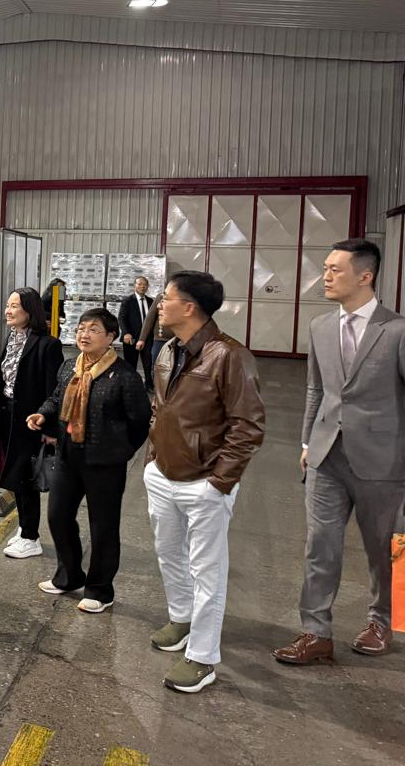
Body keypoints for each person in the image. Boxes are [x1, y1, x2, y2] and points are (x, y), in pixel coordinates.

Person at [273, 238, 405, 665]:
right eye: (325, 267)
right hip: (327, 455)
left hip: (383, 461)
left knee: (383, 547)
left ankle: (381, 622)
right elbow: (317, 388)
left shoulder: (397, 330)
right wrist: (307, 442)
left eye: (335, 269)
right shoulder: (321, 326)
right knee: (320, 546)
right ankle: (316, 633)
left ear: (365, 276)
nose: (325, 276)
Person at [144, 270, 265, 694]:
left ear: (190, 307)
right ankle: (181, 618)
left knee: (207, 571)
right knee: (168, 555)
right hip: (163, 475)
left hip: (204, 484)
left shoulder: (229, 356)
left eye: (166, 298)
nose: (160, 304)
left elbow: (248, 426)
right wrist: (152, 458)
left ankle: (202, 656)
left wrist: (219, 482)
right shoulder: (168, 350)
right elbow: (160, 409)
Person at [28, 307, 151, 612]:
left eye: (94, 330)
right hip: (68, 455)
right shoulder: (70, 367)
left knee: (103, 526)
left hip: (105, 462)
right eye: (81, 328)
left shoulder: (124, 376)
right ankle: (69, 576)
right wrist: (43, 414)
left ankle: (100, 589)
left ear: (111, 337)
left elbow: (140, 421)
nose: (84, 334)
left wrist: (121, 451)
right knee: (58, 516)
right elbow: (56, 398)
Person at [0, 289, 63, 560]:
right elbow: (7, 371)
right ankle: (24, 528)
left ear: (30, 310)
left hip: (31, 421)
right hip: (7, 415)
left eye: (14, 306)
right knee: (14, 476)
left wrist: (50, 429)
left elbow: (54, 389)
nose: (8, 310)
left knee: (25, 478)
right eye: (8, 305)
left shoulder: (47, 345)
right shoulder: (13, 337)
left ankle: (30, 537)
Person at [119, 276, 156, 391]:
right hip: (131, 337)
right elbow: (121, 318)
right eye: (140, 284)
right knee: (131, 364)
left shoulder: (151, 301)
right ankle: (131, 386)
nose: (142, 286)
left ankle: (149, 385)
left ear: (147, 287)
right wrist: (126, 333)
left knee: (148, 363)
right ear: (134, 286)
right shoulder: (128, 301)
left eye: (145, 284)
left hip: (147, 338)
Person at [136, 288, 170, 373]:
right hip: (160, 340)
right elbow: (149, 319)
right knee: (156, 367)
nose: (159, 306)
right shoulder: (160, 297)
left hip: (178, 340)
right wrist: (142, 339)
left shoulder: (185, 299)